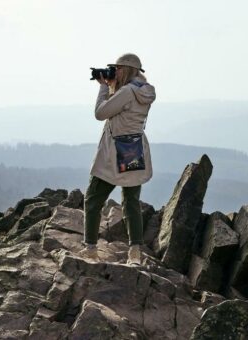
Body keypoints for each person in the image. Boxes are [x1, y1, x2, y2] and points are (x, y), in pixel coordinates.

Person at [79, 53, 156, 265]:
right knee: (131, 202)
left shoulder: (127, 92)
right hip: (134, 149)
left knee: (93, 198)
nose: (115, 72)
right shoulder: (144, 91)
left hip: (113, 152)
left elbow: (101, 113)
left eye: (117, 69)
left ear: (126, 70)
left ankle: (91, 250)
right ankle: (135, 253)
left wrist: (103, 87)